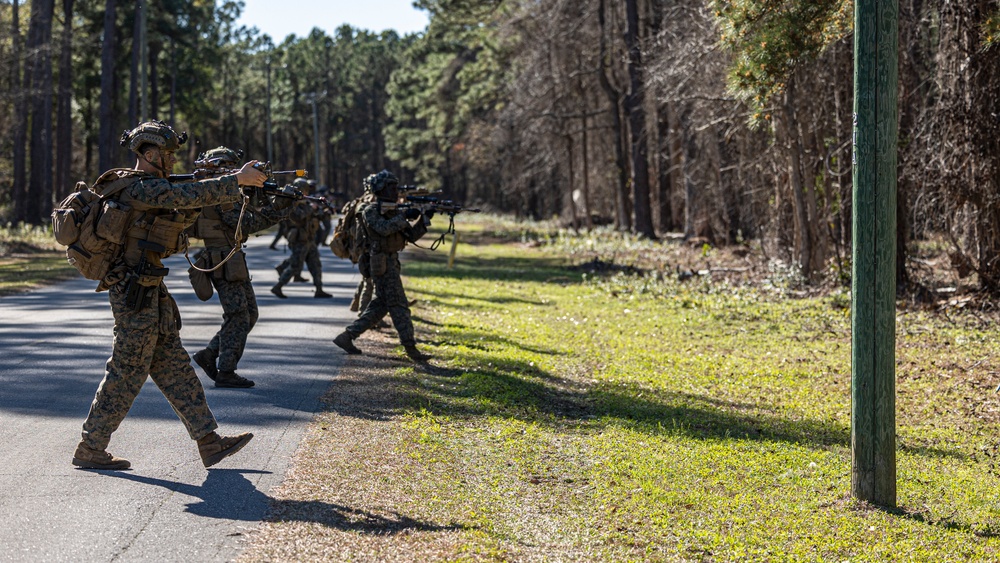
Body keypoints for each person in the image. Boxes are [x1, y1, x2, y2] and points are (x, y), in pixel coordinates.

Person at [71, 120, 267, 470]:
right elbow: (183, 196)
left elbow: (184, 210)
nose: (172, 161)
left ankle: (209, 442)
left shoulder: (149, 188)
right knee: (127, 371)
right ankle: (90, 447)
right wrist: (234, 179)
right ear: (148, 155)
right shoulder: (135, 189)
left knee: (174, 366)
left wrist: (228, 186)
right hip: (132, 291)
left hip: (148, 288)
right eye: (166, 154)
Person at [188, 146, 295, 389]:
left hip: (229, 256)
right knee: (238, 315)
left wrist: (268, 197)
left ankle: (210, 353)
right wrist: (279, 207)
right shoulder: (221, 194)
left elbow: (247, 216)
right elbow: (247, 223)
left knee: (249, 313)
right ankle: (226, 371)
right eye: (233, 167)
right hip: (223, 259)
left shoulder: (220, 189)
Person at [332, 170, 432, 362]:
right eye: (391, 188)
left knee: (379, 307)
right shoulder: (369, 210)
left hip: (391, 262)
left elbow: (410, 236)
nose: (395, 192)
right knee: (399, 306)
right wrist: (404, 215)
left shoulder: (392, 210)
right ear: (379, 189)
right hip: (380, 264)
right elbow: (383, 229)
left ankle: (347, 336)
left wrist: (424, 219)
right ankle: (411, 350)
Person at [270, 178, 332, 299]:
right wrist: (311, 208)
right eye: (306, 190)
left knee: (316, 264)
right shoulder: (291, 202)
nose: (307, 192)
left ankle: (319, 289)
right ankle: (278, 286)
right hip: (299, 240)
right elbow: (298, 216)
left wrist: (323, 212)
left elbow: (313, 215)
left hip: (309, 239)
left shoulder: (304, 201)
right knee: (295, 266)